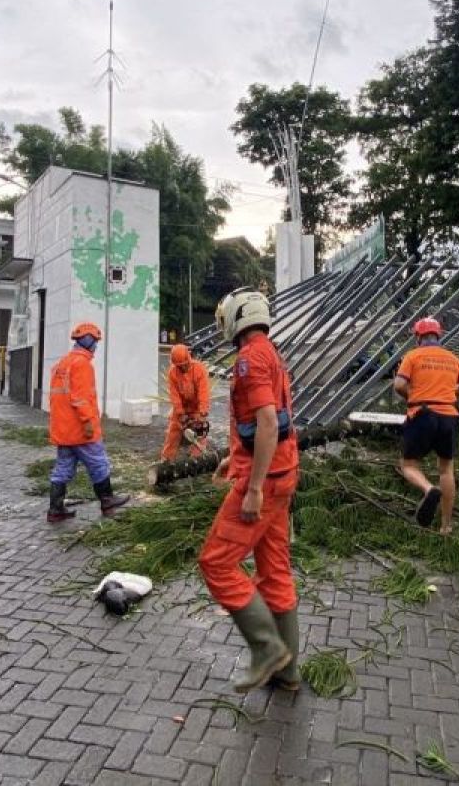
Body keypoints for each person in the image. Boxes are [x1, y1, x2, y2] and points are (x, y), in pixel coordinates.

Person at [198, 289, 301, 693]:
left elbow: (269, 425)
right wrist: (234, 456)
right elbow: (262, 424)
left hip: (265, 482)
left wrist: (253, 486)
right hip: (283, 473)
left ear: (236, 318)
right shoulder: (270, 353)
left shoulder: (248, 361)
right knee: (274, 571)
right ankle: (288, 672)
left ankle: (266, 649)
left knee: (217, 564)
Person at [393, 317, 459, 535]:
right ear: (438, 335)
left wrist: (411, 397)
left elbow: (399, 384)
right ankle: (446, 526)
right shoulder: (452, 358)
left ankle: (429, 489)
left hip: (423, 414)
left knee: (409, 465)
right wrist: (450, 393)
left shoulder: (413, 355)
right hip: (449, 416)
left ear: (418, 336)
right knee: (446, 469)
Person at [46, 321, 131, 523]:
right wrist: (87, 423)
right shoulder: (82, 364)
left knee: (63, 468)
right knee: (98, 463)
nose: (96, 345)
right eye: (95, 341)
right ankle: (107, 500)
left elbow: (59, 398)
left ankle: (55, 510)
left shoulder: (62, 363)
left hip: (63, 430)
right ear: (88, 341)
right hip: (80, 430)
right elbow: (80, 398)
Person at [159, 344, 211, 463]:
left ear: (189, 359)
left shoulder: (199, 369)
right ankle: (166, 460)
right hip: (182, 407)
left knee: (199, 431)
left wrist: (202, 412)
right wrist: (180, 413)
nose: (183, 368)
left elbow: (203, 393)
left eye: (184, 365)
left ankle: (197, 459)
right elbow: (174, 395)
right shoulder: (173, 373)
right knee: (173, 431)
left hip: (197, 407)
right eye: (180, 366)